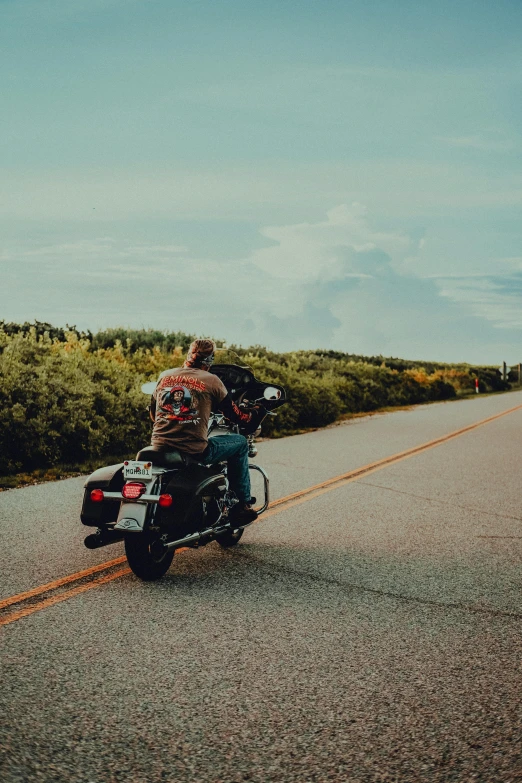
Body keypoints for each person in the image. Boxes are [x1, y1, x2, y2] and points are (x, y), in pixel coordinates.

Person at [148, 339, 263, 524]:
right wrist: (253, 413)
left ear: (188, 355)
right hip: (193, 449)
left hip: (159, 445)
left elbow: (153, 414)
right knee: (240, 443)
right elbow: (236, 415)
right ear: (210, 360)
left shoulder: (165, 375)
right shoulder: (211, 380)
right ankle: (241, 505)